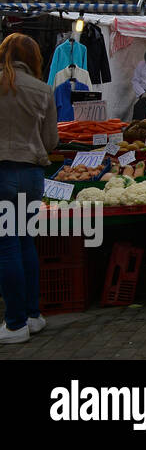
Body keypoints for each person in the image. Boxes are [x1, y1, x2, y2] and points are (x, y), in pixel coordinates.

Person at [0, 34, 58, 344]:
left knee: (6, 247)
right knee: (24, 244)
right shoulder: (42, 88)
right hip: (33, 174)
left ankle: (15, 324)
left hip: (2, 174)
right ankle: (33, 316)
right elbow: (51, 141)